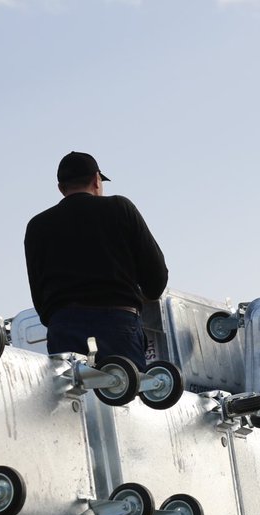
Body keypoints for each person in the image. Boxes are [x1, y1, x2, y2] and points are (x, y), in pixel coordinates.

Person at [24, 151, 168, 370]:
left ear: (61, 188)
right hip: (118, 325)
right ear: (96, 180)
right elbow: (156, 277)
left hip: (64, 327)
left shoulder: (37, 226)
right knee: (122, 394)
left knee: (74, 400)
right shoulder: (120, 208)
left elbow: (39, 296)